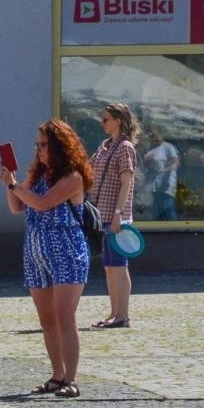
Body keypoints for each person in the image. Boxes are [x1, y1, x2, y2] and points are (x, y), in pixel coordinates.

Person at [0, 119, 93, 400]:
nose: (39, 150)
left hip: (65, 248)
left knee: (65, 316)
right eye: (37, 144)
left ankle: (72, 378)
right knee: (47, 319)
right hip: (37, 248)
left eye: (44, 144)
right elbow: (17, 206)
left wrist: (15, 185)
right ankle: (57, 374)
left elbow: (42, 203)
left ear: (59, 146)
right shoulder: (38, 174)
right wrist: (11, 183)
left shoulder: (73, 176)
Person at [88, 102, 138, 329]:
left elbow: (126, 183)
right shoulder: (105, 147)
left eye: (106, 119)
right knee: (109, 267)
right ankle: (114, 313)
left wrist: (119, 213)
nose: (102, 122)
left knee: (119, 266)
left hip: (116, 216)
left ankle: (123, 316)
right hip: (102, 214)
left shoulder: (125, 147)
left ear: (118, 121)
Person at [142, 130, 179, 221]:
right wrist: (147, 161)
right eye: (152, 135)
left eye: (156, 135)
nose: (154, 137)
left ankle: (175, 230)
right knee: (157, 209)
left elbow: (176, 163)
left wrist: (165, 170)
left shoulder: (168, 147)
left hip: (166, 183)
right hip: (155, 184)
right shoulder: (152, 149)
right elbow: (145, 166)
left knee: (168, 205)